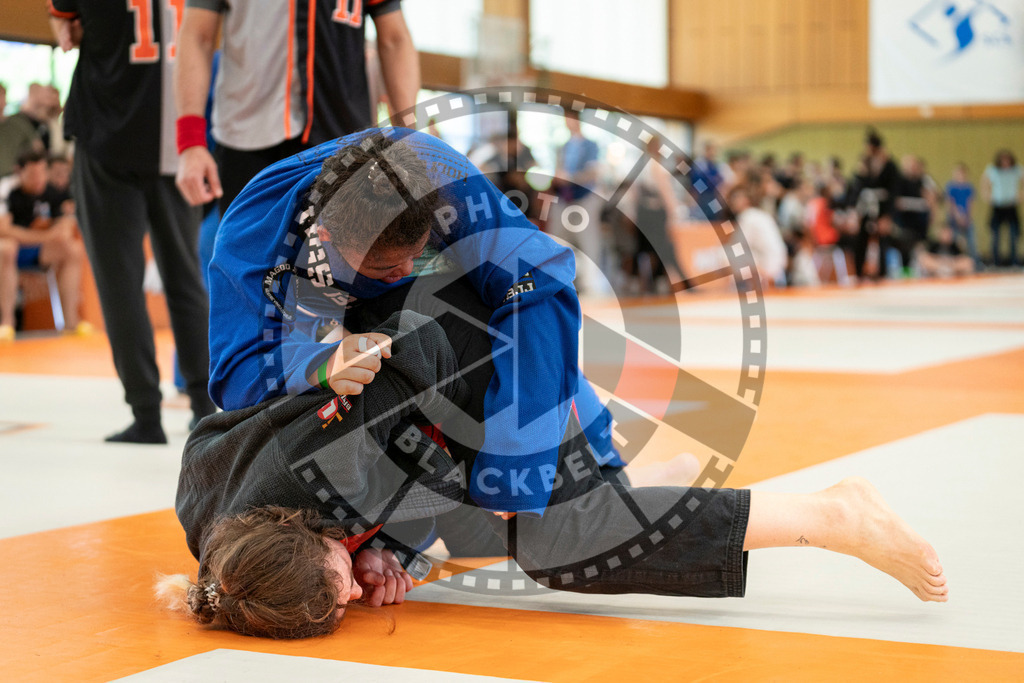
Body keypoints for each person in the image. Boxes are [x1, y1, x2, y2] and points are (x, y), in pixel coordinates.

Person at [155, 132, 947, 638]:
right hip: (401, 371)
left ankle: (831, 515)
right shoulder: (252, 247)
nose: (353, 598)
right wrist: (318, 365)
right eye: (384, 272)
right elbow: (242, 389)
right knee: (496, 524)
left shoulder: (440, 180)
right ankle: (634, 478)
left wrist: (515, 465)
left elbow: (541, 288)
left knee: (550, 533)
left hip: (446, 356)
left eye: (334, 587)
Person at [49, 1, 215, 443]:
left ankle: (145, 412)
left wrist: (65, 27)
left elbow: (64, 22)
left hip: (108, 135)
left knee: (119, 280)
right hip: (178, 139)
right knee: (185, 278)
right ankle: (203, 403)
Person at [173, 0, 419, 215]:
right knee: (248, 264)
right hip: (246, 137)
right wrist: (190, 142)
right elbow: (198, 35)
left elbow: (395, 39)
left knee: (334, 265)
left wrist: (407, 140)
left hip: (341, 142)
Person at [0, 150, 87, 340]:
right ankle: (6, 323)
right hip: (10, 253)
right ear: (19, 172)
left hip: (35, 250)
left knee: (72, 249)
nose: (38, 180)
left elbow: (64, 228)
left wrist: (51, 234)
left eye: (41, 174)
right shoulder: (7, 188)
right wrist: (46, 235)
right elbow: (4, 230)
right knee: (7, 247)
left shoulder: (53, 192)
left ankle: (71, 322)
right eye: (32, 175)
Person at [726, 184, 788, 288]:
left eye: (736, 197)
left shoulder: (748, 216)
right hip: (779, 269)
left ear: (746, 199)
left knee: (726, 255)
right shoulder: (761, 215)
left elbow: (737, 246)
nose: (732, 201)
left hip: (768, 271)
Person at [981, 149, 1022, 268]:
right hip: (998, 205)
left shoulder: (1017, 169)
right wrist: (987, 196)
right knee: (995, 234)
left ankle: (1014, 261)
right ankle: (995, 262)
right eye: (1003, 159)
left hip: (1011, 205)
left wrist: (1021, 194)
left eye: (1007, 159)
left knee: (1014, 234)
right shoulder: (992, 169)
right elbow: (984, 181)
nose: (1005, 162)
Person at [945, 162, 978, 270]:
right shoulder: (951, 187)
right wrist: (957, 216)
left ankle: (975, 263)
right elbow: (951, 203)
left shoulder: (969, 187)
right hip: (954, 218)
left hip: (966, 218)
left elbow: (970, 203)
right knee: (954, 240)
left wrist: (967, 217)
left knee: (971, 241)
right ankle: (953, 263)